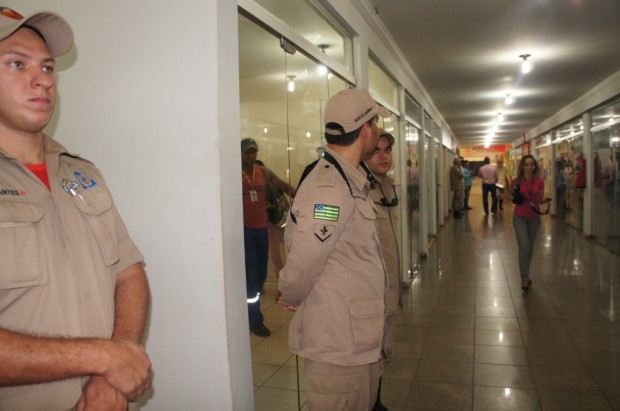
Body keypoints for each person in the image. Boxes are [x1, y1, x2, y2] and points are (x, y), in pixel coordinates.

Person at [0, 8, 151, 410]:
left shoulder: (82, 172)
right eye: (17, 63)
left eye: (48, 67)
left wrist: (113, 370)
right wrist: (104, 358)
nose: (43, 80)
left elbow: (128, 271)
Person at [278, 89, 389, 411]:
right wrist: (290, 293)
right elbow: (304, 263)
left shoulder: (349, 179)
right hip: (338, 345)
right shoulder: (330, 189)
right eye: (376, 122)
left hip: (355, 339)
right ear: (365, 129)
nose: (379, 129)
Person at [241, 138, 295, 337]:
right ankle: (255, 319)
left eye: (253, 152)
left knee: (261, 273)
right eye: (247, 152)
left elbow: (281, 184)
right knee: (251, 274)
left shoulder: (262, 172)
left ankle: (249, 308)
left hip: (261, 228)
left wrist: (301, 194)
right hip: (245, 230)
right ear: (240, 154)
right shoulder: (234, 174)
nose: (251, 155)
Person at [365, 131, 400, 411]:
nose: (384, 155)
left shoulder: (387, 186)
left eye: (387, 149)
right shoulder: (358, 190)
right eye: (376, 150)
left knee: (381, 351)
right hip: (370, 294)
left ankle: (376, 402)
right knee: (370, 355)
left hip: (389, 288)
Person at [510, 155, 551, 291]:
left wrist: (546, 200)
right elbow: (511, 196)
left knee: (530, 248)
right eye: (526, 164)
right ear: (522, 166)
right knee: (524, 245)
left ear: (535, 166)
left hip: (534, 217)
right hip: (519, 217)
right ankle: (524, 277)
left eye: (531, 164)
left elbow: (540, 198)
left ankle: (526, 274)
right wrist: (515, 197)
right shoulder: (516, 181)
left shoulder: (539, 181)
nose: (529, 167)